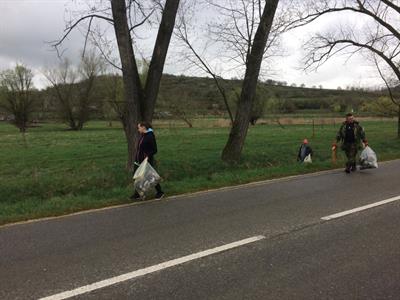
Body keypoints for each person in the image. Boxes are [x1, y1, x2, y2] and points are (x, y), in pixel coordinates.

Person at [131, 122, 164, 200]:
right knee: (137, 177)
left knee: (150, 177)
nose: (138, 129)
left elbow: (154, 150)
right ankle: (138, 194)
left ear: (143, 127)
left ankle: (160, 192)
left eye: (139, 127)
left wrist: (147, 156)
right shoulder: (143, 135)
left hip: (146, 161)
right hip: (138, 160)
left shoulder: (150, 136)